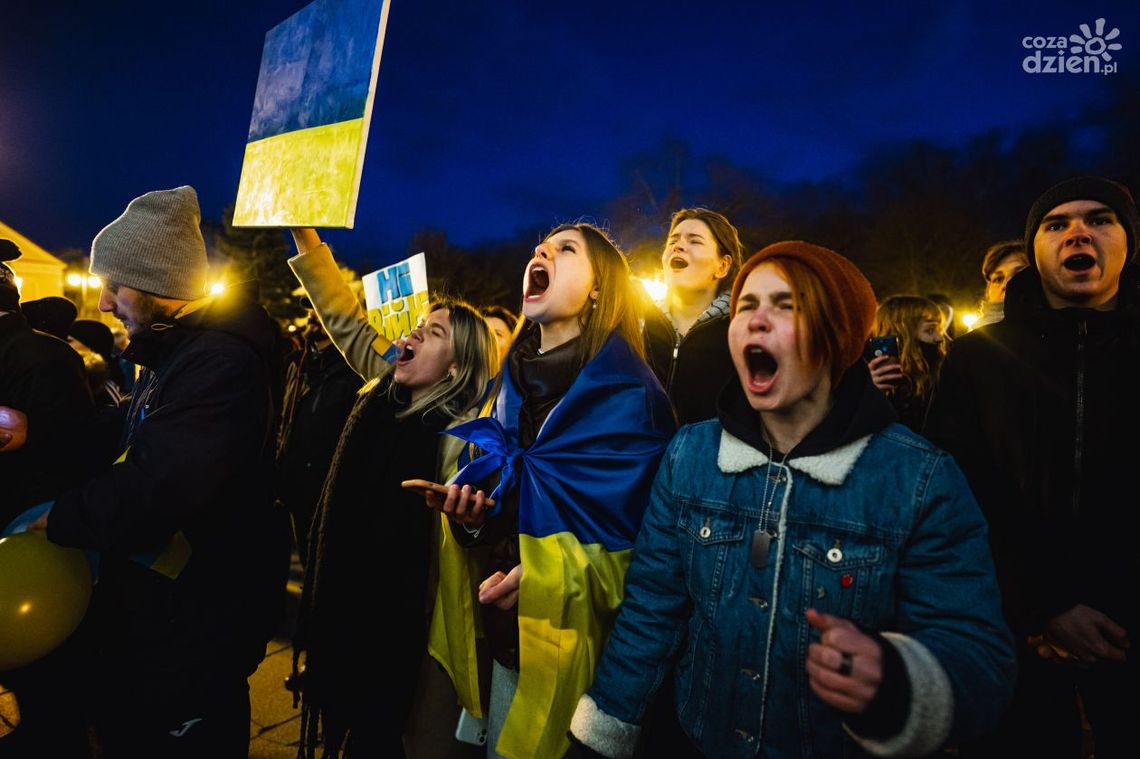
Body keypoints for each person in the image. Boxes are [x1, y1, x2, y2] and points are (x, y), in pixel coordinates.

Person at [568, 241, 1014, 759]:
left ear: (838, 336)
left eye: (786, 305)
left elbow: (979, 655)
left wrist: (896, 682)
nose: (757, 320)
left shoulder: (918, 478)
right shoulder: (690, 454)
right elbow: (651, 611)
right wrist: (601, 734)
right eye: (746, 306)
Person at [20, 187, 292, 758]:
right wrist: (35, 437)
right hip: (165, 618)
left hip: (199, 625)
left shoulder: (220, 362)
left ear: (154, 287)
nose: (101, 304)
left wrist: (63, 516)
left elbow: (160, 483)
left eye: (112, 287)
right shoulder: (176, 355)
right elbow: (123, 436)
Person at [427, 223, 676, 758]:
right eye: (541, 246)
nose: (541, 251)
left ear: (597, 291)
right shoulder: (506, 386)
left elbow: (647, 564)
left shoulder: (635, 400)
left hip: (578, 660)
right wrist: (471, 519)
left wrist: (541, 577)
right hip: (507, 644)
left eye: (566, 250)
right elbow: (506, 508)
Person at [925, 176, 1140, 758]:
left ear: (1128, 242)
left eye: (1099, 219)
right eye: (1056, 224)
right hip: (1014, 624)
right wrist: (1043, 605)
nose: (1078, 232)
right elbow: (958, 487)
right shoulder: (979, 357)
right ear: (1037, 248)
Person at [287, 228, 497, 758]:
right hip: (354, 619)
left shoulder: (470, 434)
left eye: (436, 333)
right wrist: (306, 239)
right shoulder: (382, 391)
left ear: (458, 365)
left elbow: (486, 530)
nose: (416, 334)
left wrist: (469, 518)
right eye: (420, 327)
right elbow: (347, 323)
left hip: (418, 633)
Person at [0, 238, 94, 759]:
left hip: (32, 545)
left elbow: (71, 452)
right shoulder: (44, 354)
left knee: (47, 687)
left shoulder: (40, 358)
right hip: (25, 541)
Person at [643, 208, 743, 424]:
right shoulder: (635, 328)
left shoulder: (742, 332)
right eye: (672, 241)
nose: (678, 246)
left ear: (723, 266)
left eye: (695, 241)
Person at [867, 295, 946, 432]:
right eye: (929, 330)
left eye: (940, 329)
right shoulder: (862, 375)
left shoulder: (944, 371)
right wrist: (869, 394)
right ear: (904, 334)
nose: (939, 338)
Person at [972, 240, 1030, 329]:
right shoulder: (973, 338)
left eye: (1019, 275)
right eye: (998, 279)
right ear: (988, 290)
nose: (1006, 285)